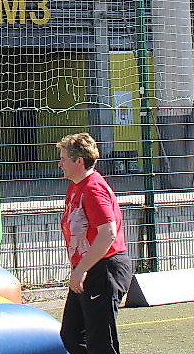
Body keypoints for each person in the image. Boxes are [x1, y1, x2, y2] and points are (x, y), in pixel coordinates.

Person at [57, 133, 132, 354]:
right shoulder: (75, 186)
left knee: (100, 342)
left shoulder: (93, 188)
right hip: (89, 268)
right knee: (72, 335)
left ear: (79, 161)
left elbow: (107, 233)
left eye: (63, 159)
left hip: (105, 268)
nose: (60, 164)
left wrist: (81, 269)